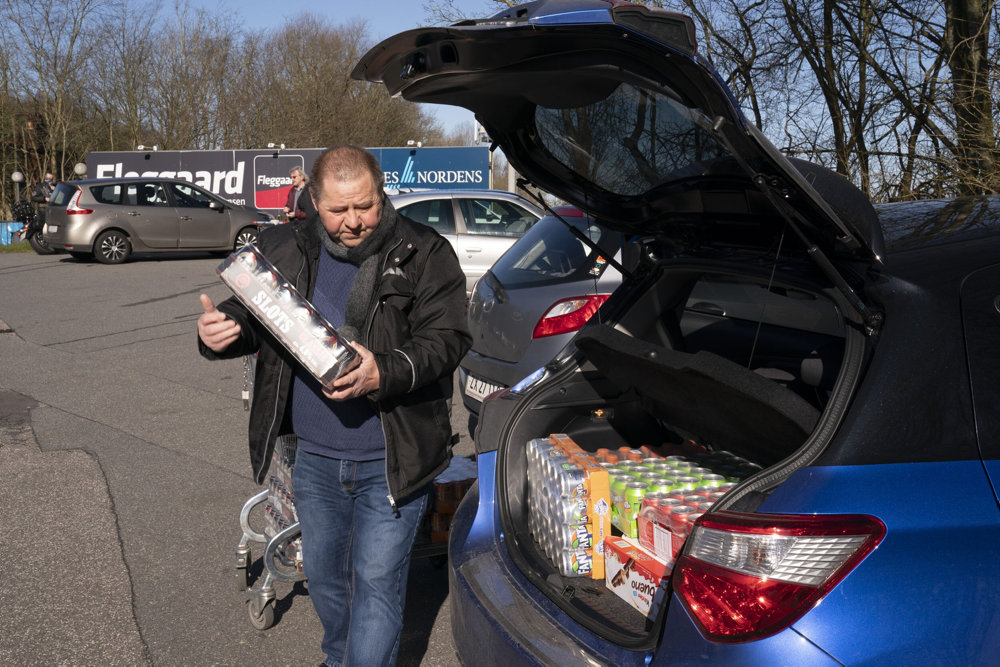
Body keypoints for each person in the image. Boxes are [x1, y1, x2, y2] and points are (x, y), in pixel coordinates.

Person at [197, 144, 471, 666]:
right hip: (315, 459)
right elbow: (253, 311)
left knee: (375, 582)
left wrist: (382, 372)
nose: (354, 222)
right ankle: (342, 657)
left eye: (365, 207)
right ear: (314, 202)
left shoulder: (424, 252)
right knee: (324, 577)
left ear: (382, 193)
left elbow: (449, 338)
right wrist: (223, 331)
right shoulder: (285, 243)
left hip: (393, 458)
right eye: (338, 210)